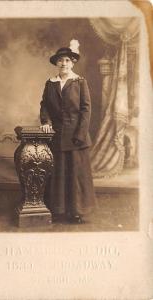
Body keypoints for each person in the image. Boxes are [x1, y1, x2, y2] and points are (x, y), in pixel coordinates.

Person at [40, 41, 95, 224]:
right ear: (56, 64)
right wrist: (46, 121)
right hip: (57, 135)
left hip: (76, 137)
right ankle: (58, 210)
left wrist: (80, 135)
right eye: (60, 61)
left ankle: (77, 212)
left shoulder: (80, 82)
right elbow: (44, 105)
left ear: (72, 63)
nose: (63, 64)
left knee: (76, 175)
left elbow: (86, 110)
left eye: (67, 61)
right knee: (58, 174)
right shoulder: (50, 83)